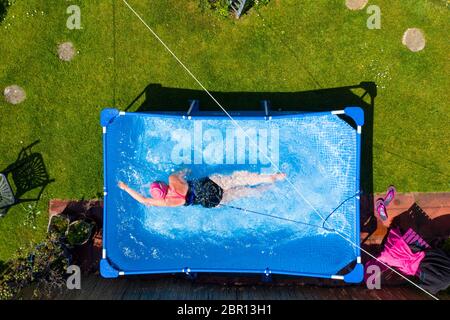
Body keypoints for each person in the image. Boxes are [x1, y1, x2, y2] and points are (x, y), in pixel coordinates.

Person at [118, 170, 286, 208]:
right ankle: (270, 177)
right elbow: (184, 171)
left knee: (245, 193)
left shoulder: (167, 202)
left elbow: (143, 199)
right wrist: (184, 172)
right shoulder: (172, 179)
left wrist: (126, 188)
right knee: (239, 178)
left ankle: (267, 186)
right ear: (163, 185)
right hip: (211, 184)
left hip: (212, 201)